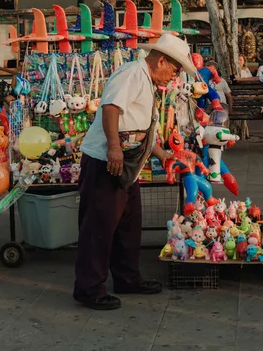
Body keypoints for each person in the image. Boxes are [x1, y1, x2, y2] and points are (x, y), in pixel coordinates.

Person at [74, 34, 197, 311]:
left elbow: (142, 127)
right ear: (161, 60)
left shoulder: (147, 80)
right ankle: (89, 288)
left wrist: (162, 154)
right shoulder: (131, 73)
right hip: (107, 161)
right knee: (99, 227)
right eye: (174, 70)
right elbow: (111, 108)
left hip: (129, 164)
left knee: (128, 226)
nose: (174, 77)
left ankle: (128, 278)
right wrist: (114, 147)